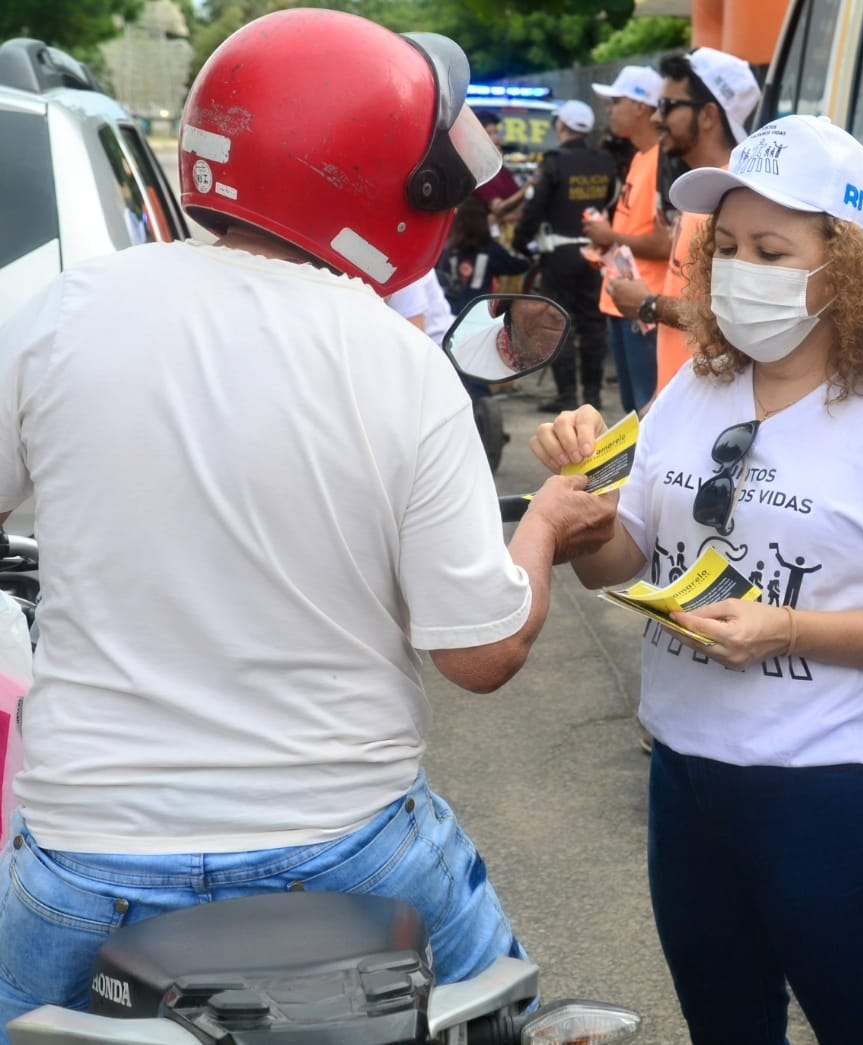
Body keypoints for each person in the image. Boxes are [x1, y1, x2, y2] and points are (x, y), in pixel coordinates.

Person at [0, 10, 616, 1030]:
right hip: (348, 841)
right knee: (514, 1018)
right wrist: (544, 524)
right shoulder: (399, 359)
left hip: (87, 847)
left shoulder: (66, 309)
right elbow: (479, 653)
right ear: (383, 187)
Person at [531, 115, 863, 1045]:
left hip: (830, 790)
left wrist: (789, 630)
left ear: (847, 266)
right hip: (688, 778)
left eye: (773, 250)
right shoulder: (694, 390)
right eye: (729, 246)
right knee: (727, 1027)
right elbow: (620, 557)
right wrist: (577, 510)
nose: (740, 268)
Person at [606, 48, 759, 397]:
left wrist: (649, 305)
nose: (657, 119)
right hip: (682, 404)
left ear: (707, 116)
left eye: (668, 107)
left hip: (708, 408)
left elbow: (733, 318)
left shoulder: (735, 200)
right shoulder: (705, 192)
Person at [514, 99, 616, 413]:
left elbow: (534, 208)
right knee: (592, 326)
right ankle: (594, 397)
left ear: (561, 127)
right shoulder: (605, 161)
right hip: (594, 254)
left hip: (558, 255)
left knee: (558, 323)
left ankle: (568, 396)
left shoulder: (554, 161)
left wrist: (520, 242)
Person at [585, 65, 671, 413]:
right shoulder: (640, 158)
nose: (610, 111)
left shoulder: (663, 160)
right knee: (631, 411)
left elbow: (665, 243)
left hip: (645, 307)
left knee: (646, 412)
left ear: (641, 106)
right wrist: (607, 241)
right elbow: (639, 231)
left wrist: (610, 235)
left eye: (616, 102)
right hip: (624, 302)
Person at [438, 198, 533, 314]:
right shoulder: (491, 249)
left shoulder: (447, 250)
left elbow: (439, 280)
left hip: (448, 311)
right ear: (483, 222)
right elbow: (521, 265)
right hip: (478, 313)